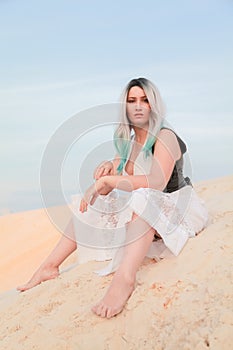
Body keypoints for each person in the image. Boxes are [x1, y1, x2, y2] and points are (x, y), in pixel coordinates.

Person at [17, 77, 208, 318]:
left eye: (144, 100)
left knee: (143, 197)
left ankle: (124, 279)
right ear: (125, 107)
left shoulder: (165, 136)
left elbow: (157, 182)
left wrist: (110, 181)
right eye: (132, 100)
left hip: (176, 207)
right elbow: (108, 188)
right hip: (146, 213)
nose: (138, 106)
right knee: (96, 206)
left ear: (153, 106)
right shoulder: (127, 144)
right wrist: (102, 177)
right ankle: (49, 267)